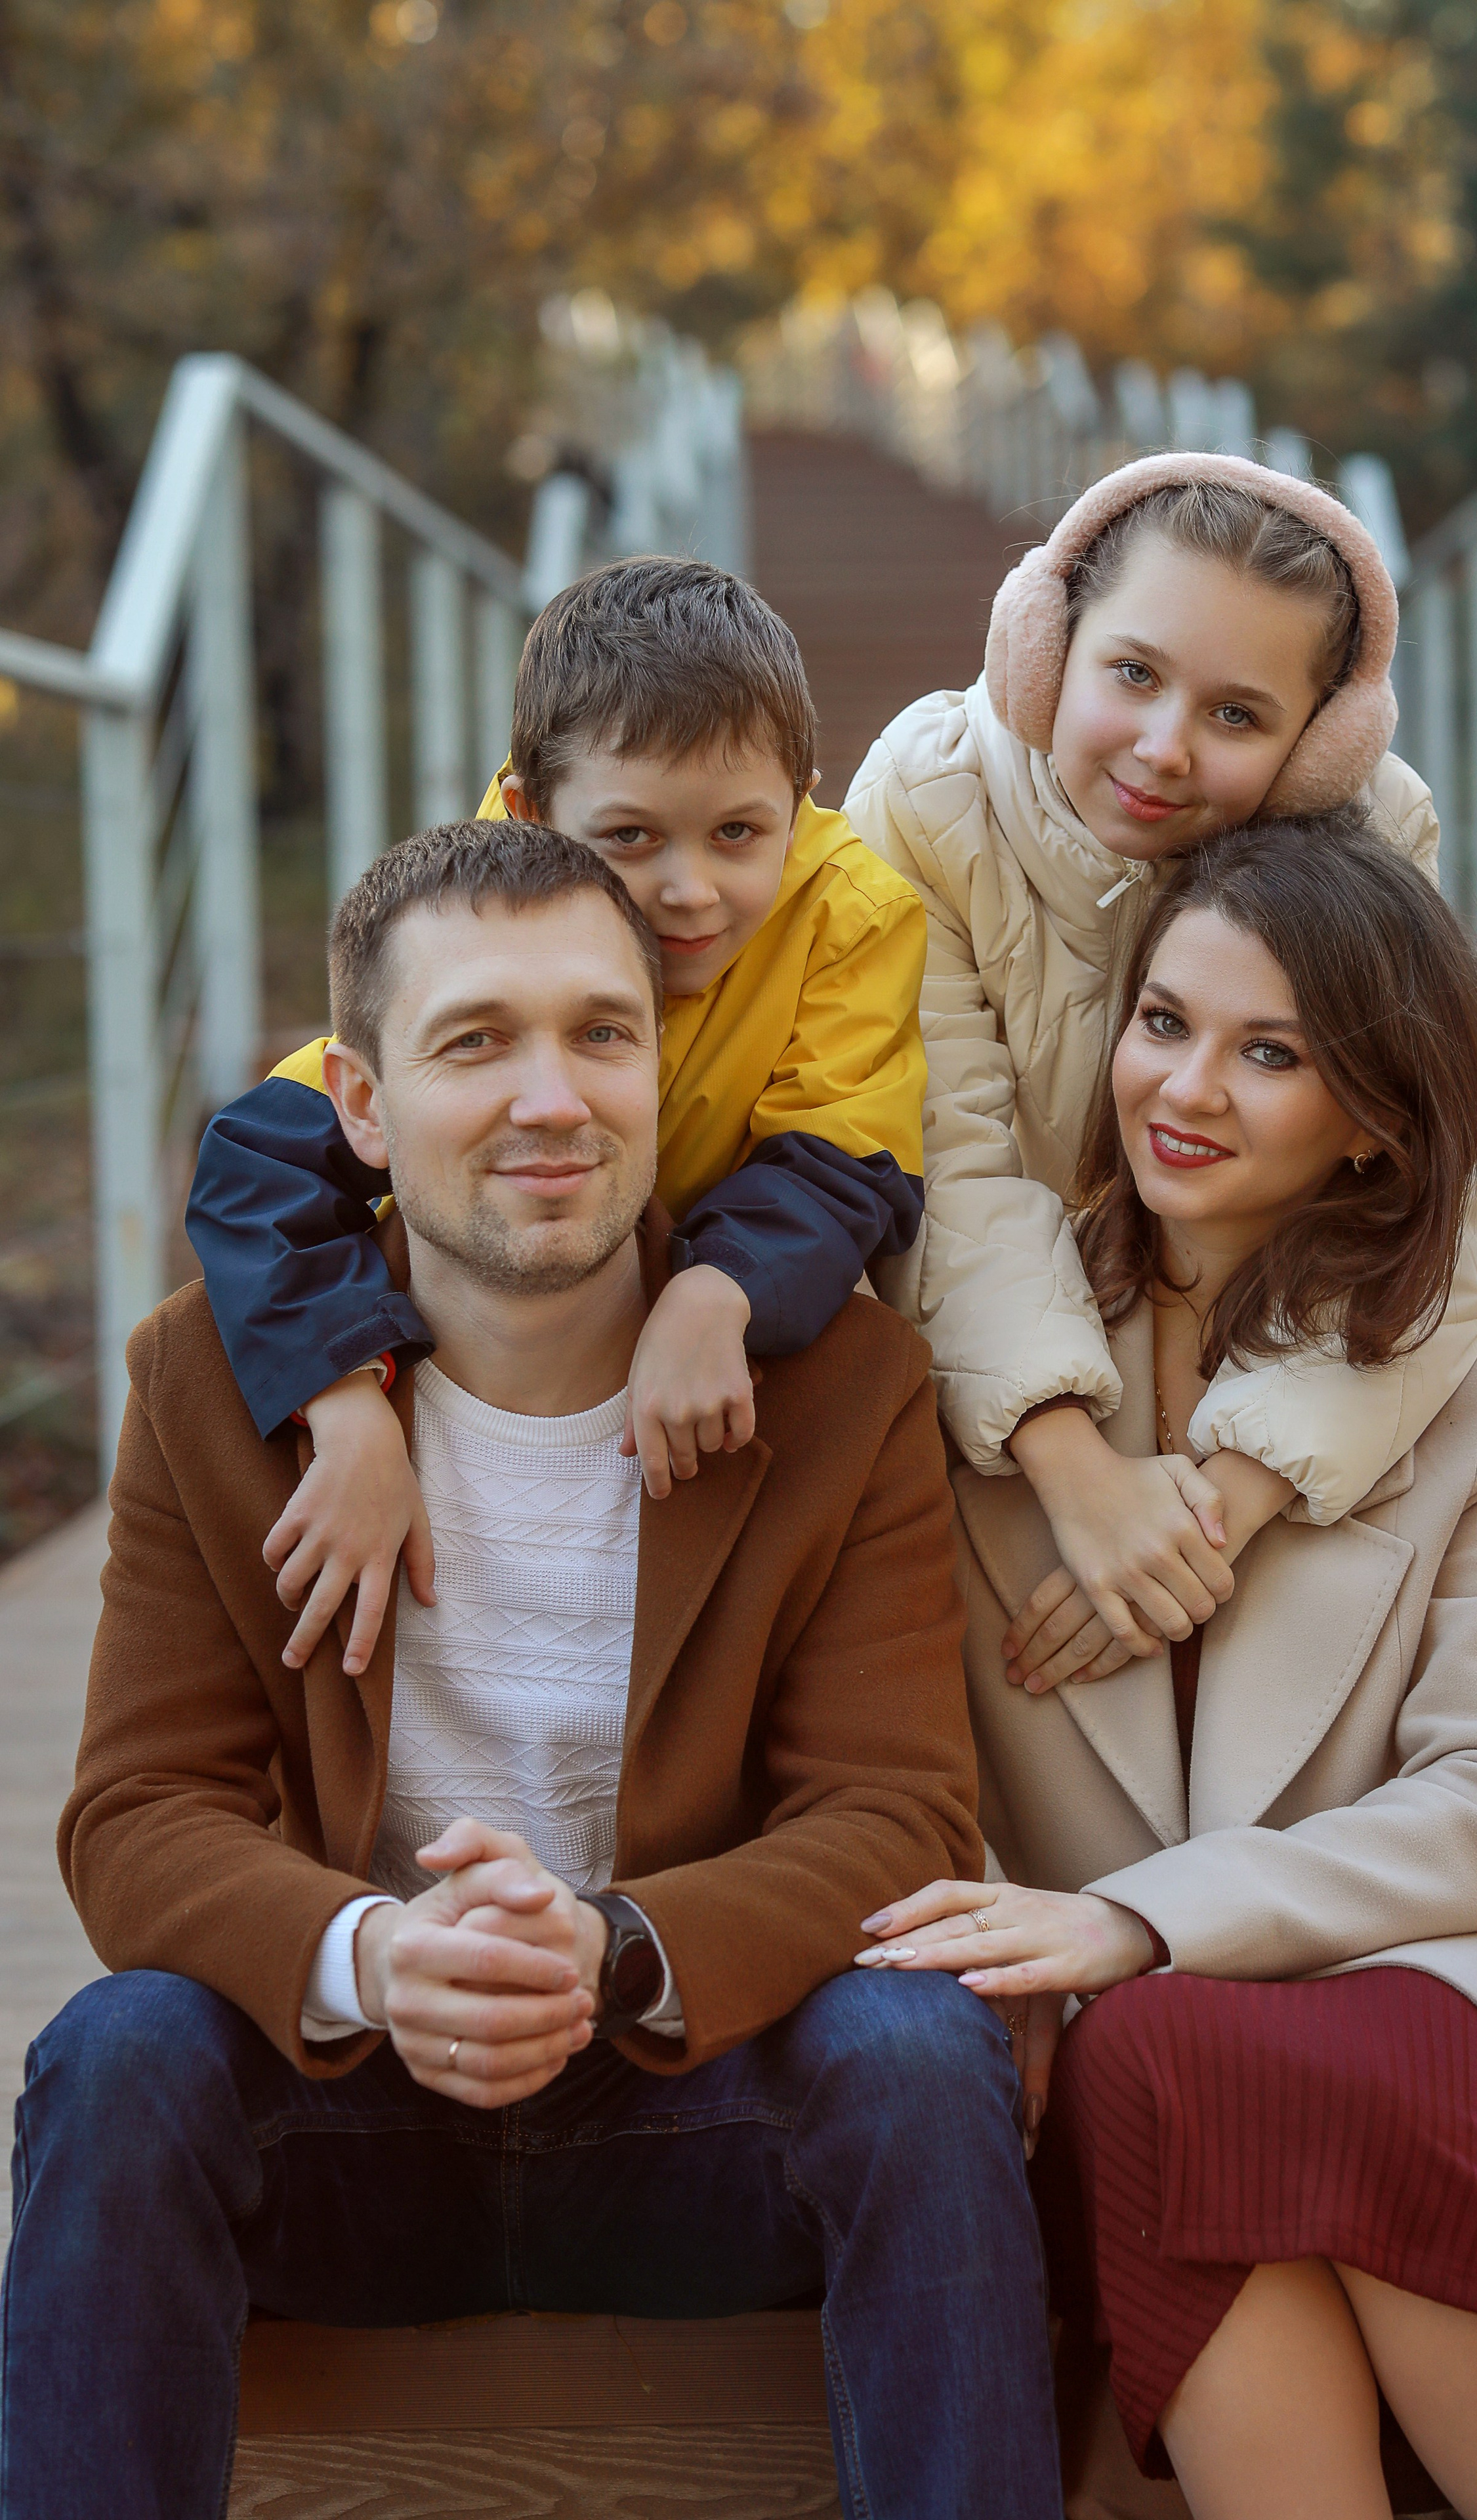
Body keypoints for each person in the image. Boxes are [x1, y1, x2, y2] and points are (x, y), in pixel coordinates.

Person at [3, 821, 1062, 2520]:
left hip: (690, 2114)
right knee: (121, 2052)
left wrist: (615, 1947)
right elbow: (138, 1815)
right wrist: (372, 1957)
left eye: (601, 1032)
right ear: (358, 1102)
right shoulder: (208, 1385)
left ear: (660, 1060)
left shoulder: (837, 1384)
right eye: (475, 1042)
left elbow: (899, 1817)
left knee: (918, 2045)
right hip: (352, 2123)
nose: (553, 1098)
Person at [855, 817, 1477, 2520]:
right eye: (1163, 1024)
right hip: (1152, 2061)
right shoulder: (984, 1391)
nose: (1189, 1089)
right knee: (1168, 2064)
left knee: (1167, 2049)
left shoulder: (1474, 1397)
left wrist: (1144, 1922)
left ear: (1376, 1121)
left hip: (1455, 1988)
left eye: (1272, 1053)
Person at [186, 556, 928, 1677]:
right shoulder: (486, 902)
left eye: (739, 833)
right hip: (486, 1307)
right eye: (629, 839)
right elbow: (260, 1157)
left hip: (684, 1315)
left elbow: (845, 1156)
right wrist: (342, 1402)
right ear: (533, 812)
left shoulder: (852, 913)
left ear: (800, 794)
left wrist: (716, 1291)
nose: (689, 891)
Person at [848, 452, 1477, 1685]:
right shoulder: (924, 801)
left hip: (1250, 1321)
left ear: (1318, 747)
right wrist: (1076, 1472)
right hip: (993, 1346)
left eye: (1236, 715)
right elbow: (951, 1158)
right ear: (1044, 648)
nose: (1163, 749)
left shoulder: (1364, 826)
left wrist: (1225, 1506)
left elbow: (1453, 1159)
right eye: (1134, 674)